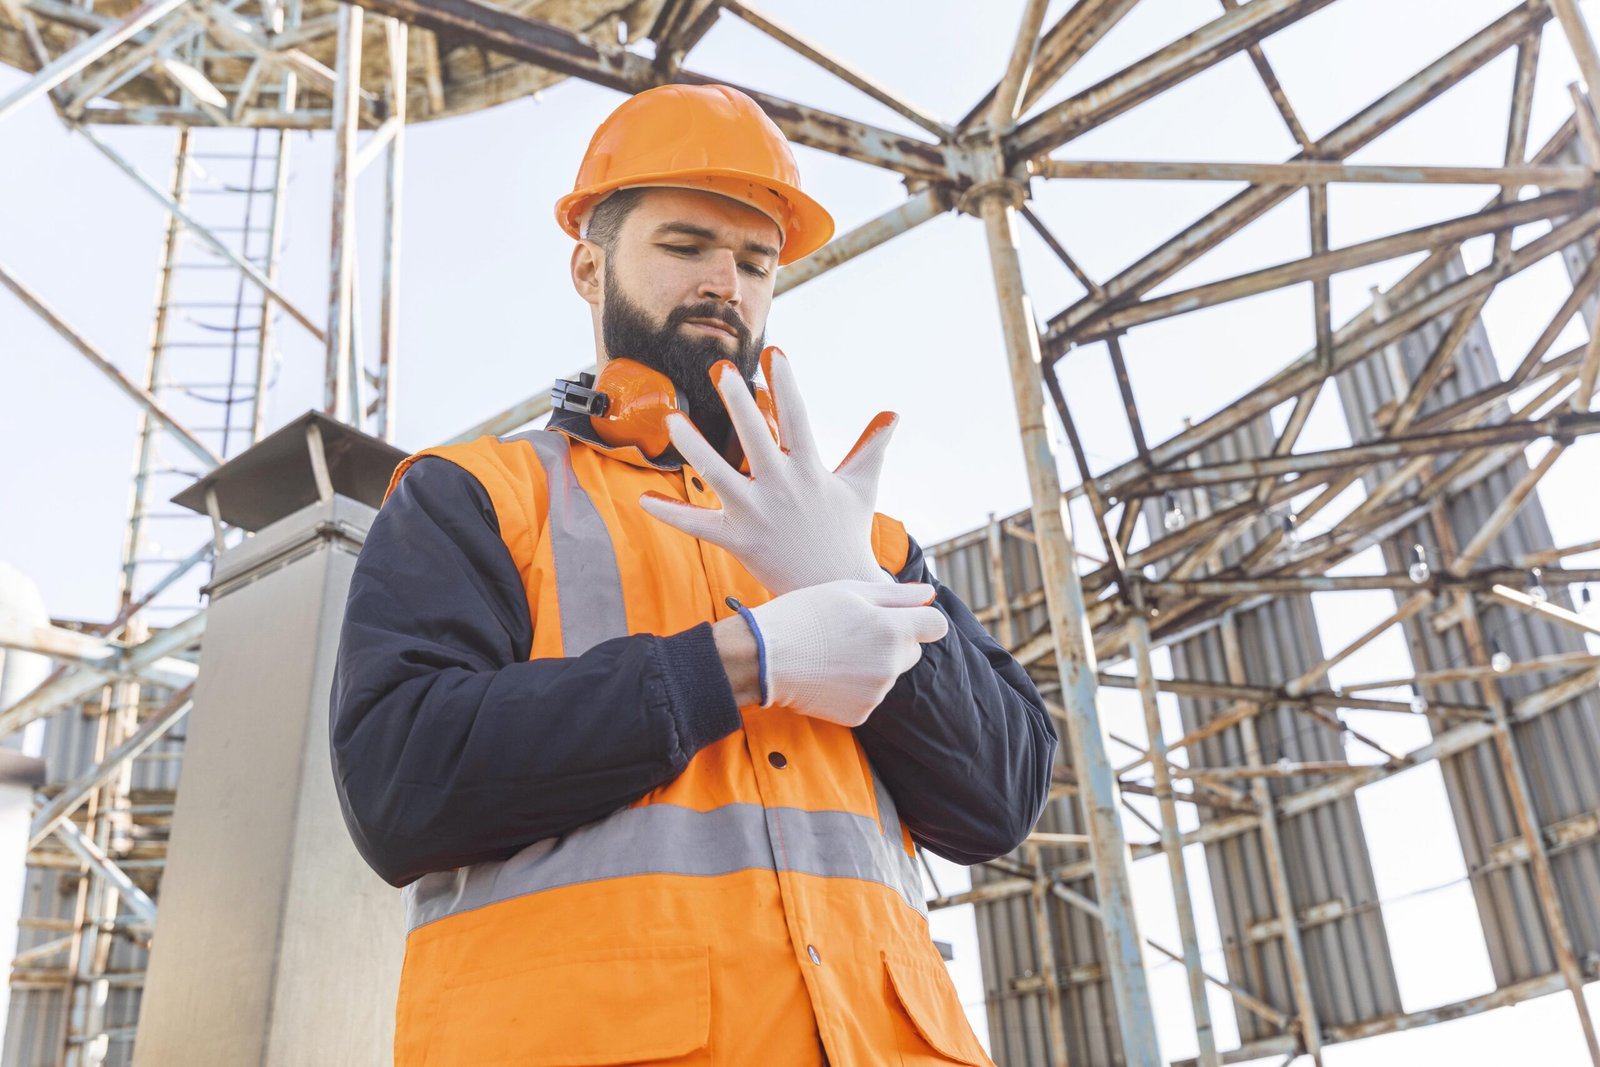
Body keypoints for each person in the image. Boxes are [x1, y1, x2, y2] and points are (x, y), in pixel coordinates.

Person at [330, 83, 1056, 1067]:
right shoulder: (483, 493)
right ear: (590, 267)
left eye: (756, 261)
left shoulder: (862, 537)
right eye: (684, 247)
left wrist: (849, 581)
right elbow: (400, 782)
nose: (726, 279)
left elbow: (998, 799)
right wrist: (743, 660)